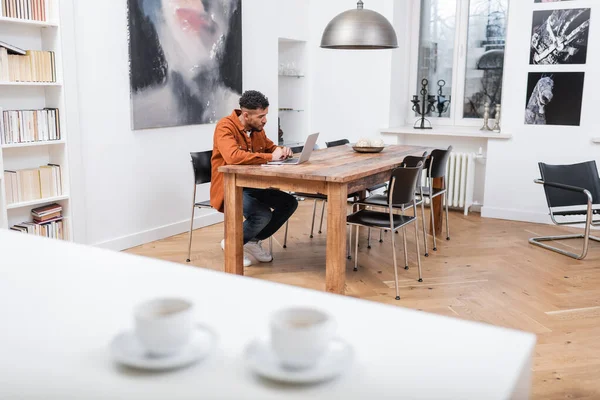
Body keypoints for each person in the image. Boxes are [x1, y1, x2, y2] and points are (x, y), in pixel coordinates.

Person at [210, 90, 298, 266]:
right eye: (261, 116)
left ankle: (251, 240)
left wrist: (282, 151)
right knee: (261, 214)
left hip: (252, 185)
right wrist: (270, 157)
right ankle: (231, 243)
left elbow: (270, 148)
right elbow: (233, 156)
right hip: (230, 187)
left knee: (289, 203)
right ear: (246, 115)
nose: (265, 120)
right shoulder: (225, 127)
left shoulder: (257, 129)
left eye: (266, 115)